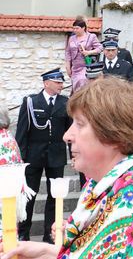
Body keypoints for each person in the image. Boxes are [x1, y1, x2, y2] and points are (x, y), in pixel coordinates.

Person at [1, 77, 133, 258]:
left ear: (114, 135)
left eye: (79, 124)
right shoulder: (124, 181)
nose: (67, 136)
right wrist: (48, 251)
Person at [15, 68, 71, 243]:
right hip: (33, 156)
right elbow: (22, 132)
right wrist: (20, 158)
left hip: (56, 156)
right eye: (57, 82)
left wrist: (73, 154)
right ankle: (23, 233)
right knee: (29, 196)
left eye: (61, 82)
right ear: (46, 83)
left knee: (55, 197)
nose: (61, 85)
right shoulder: (31, 102)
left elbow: (70, 131)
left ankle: (50, 234)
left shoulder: (65, 102)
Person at [65, 18, 102, 92]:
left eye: (77, 28)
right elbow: (68, 53)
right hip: (75, 67)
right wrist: (68, 66)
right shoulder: (71, 38)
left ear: (83, 28)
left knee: (82, 80)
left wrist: (89, 52)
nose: (75, 30)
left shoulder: (91, 37)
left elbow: (100, 48)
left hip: (86, 65)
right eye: (74, 28)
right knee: (75, 85)